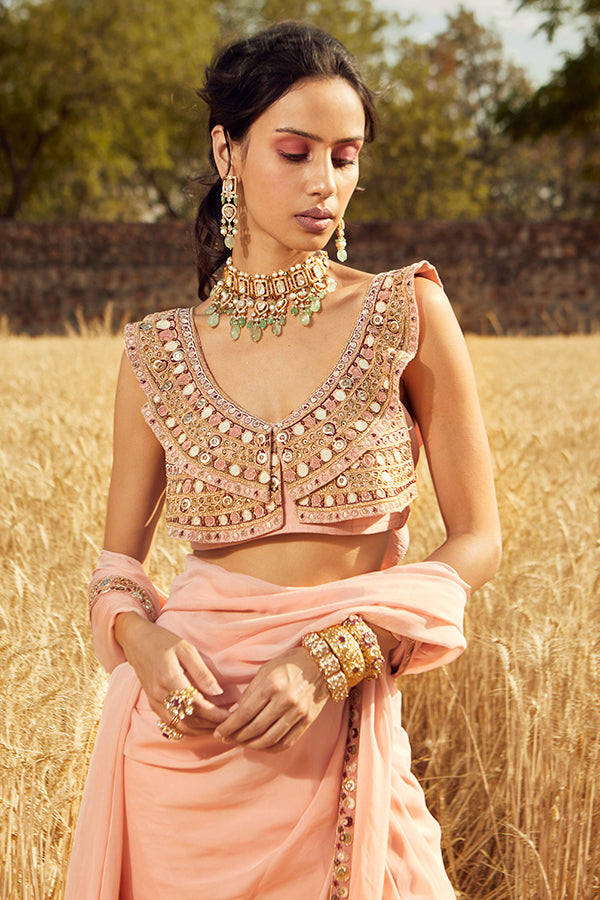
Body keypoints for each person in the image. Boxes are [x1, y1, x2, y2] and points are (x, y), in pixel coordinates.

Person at [66, 20, 501, 900]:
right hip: (179, 754)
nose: (325, 183)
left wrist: (338, 651)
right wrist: (143, 645)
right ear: (227, 150)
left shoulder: (405, 312)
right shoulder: (156, 351)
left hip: (333, 730)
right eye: (296, 152)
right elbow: (117, 569)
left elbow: (478, 537)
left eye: (344, 157)